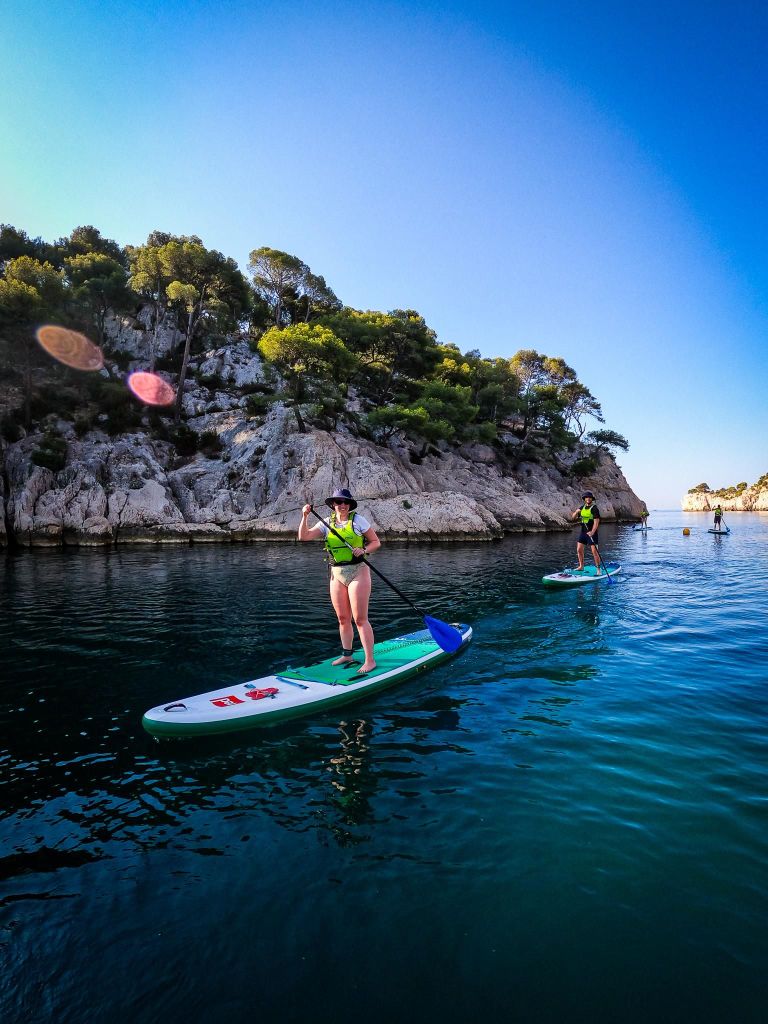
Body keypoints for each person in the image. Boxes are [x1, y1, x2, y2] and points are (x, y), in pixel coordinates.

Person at [298, 488, 381, 675]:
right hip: (336, 573)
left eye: (346, 502)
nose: (342, 505)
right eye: (338, 502)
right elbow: (304, 537)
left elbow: (376, 542)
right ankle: (347, 655)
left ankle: (370, 660)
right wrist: (305, 516)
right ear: (333, 505)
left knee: (360, 619)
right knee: (343, 619)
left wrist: (364, 550)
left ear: (350, 505)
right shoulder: (326, 523)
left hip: (358, 571)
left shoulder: (358, 520)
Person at [571, 491, 602, 572]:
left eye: (589, 497)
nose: (588, 499)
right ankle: (581, 566)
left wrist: (592, 532)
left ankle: (598, 569)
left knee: (594, 552)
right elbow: (573, 517)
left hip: (592, 533)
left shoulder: (594, 509)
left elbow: (596, 522)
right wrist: (576, 512)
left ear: (592, 499)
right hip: (583, 532)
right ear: (584, 499)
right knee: (579, 549)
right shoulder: (582, 507)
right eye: (586, 497)